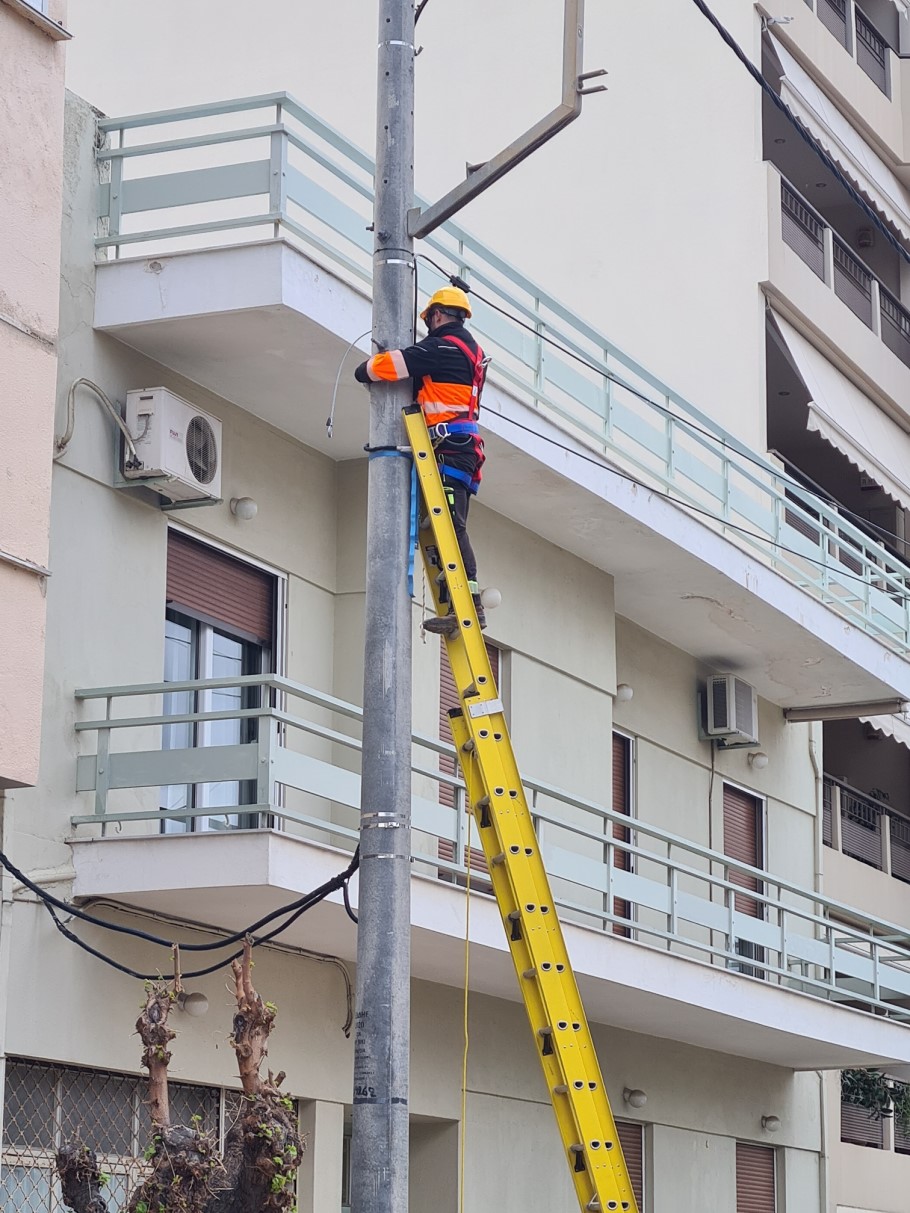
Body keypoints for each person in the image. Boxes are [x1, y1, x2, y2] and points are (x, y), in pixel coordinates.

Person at [355, 286, 487, 634]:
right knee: (449, 526)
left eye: (429, 319)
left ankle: (470, 609)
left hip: (452, 447)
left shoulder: (440, 348)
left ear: (438, 315)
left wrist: (368, 364)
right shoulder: (471, 350)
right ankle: (462, 605)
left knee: (452, 527)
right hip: (462, 446)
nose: (427, 325)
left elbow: (381, 368)